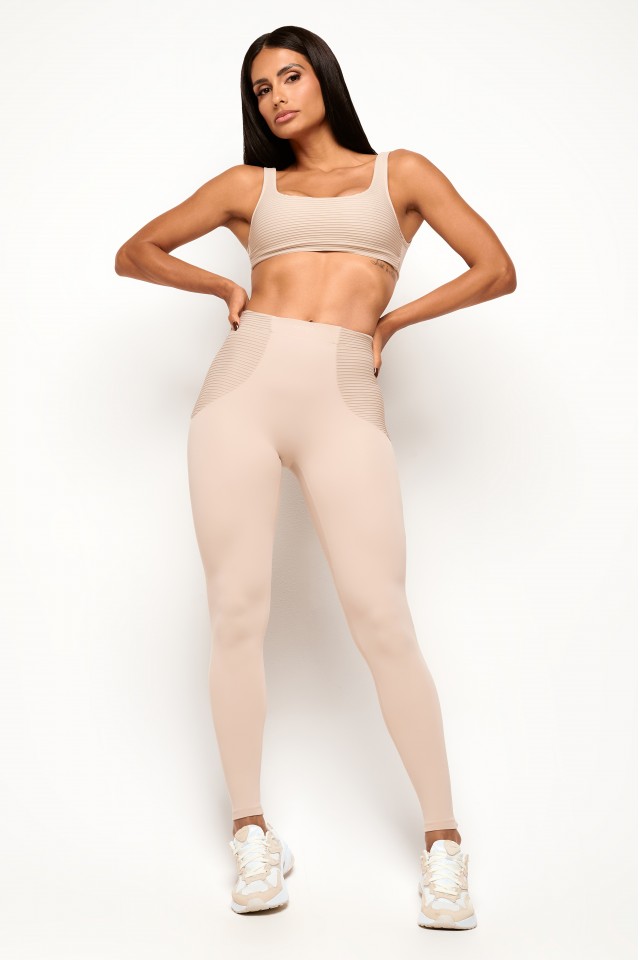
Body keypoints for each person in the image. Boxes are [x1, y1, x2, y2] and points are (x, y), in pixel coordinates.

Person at [115, 24, 516, 929]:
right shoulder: (248, 188)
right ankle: (251, 831)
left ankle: (443, 843)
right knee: (237, 612)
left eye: (290, 77)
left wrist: (392, 322)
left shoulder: (400, 174)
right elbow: (135, 251)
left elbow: (496, 270)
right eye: (261, 90)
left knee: (383, 619)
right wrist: (224, 290)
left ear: (324, 78)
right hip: (241, 392)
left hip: (343, 394)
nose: (277, 98)